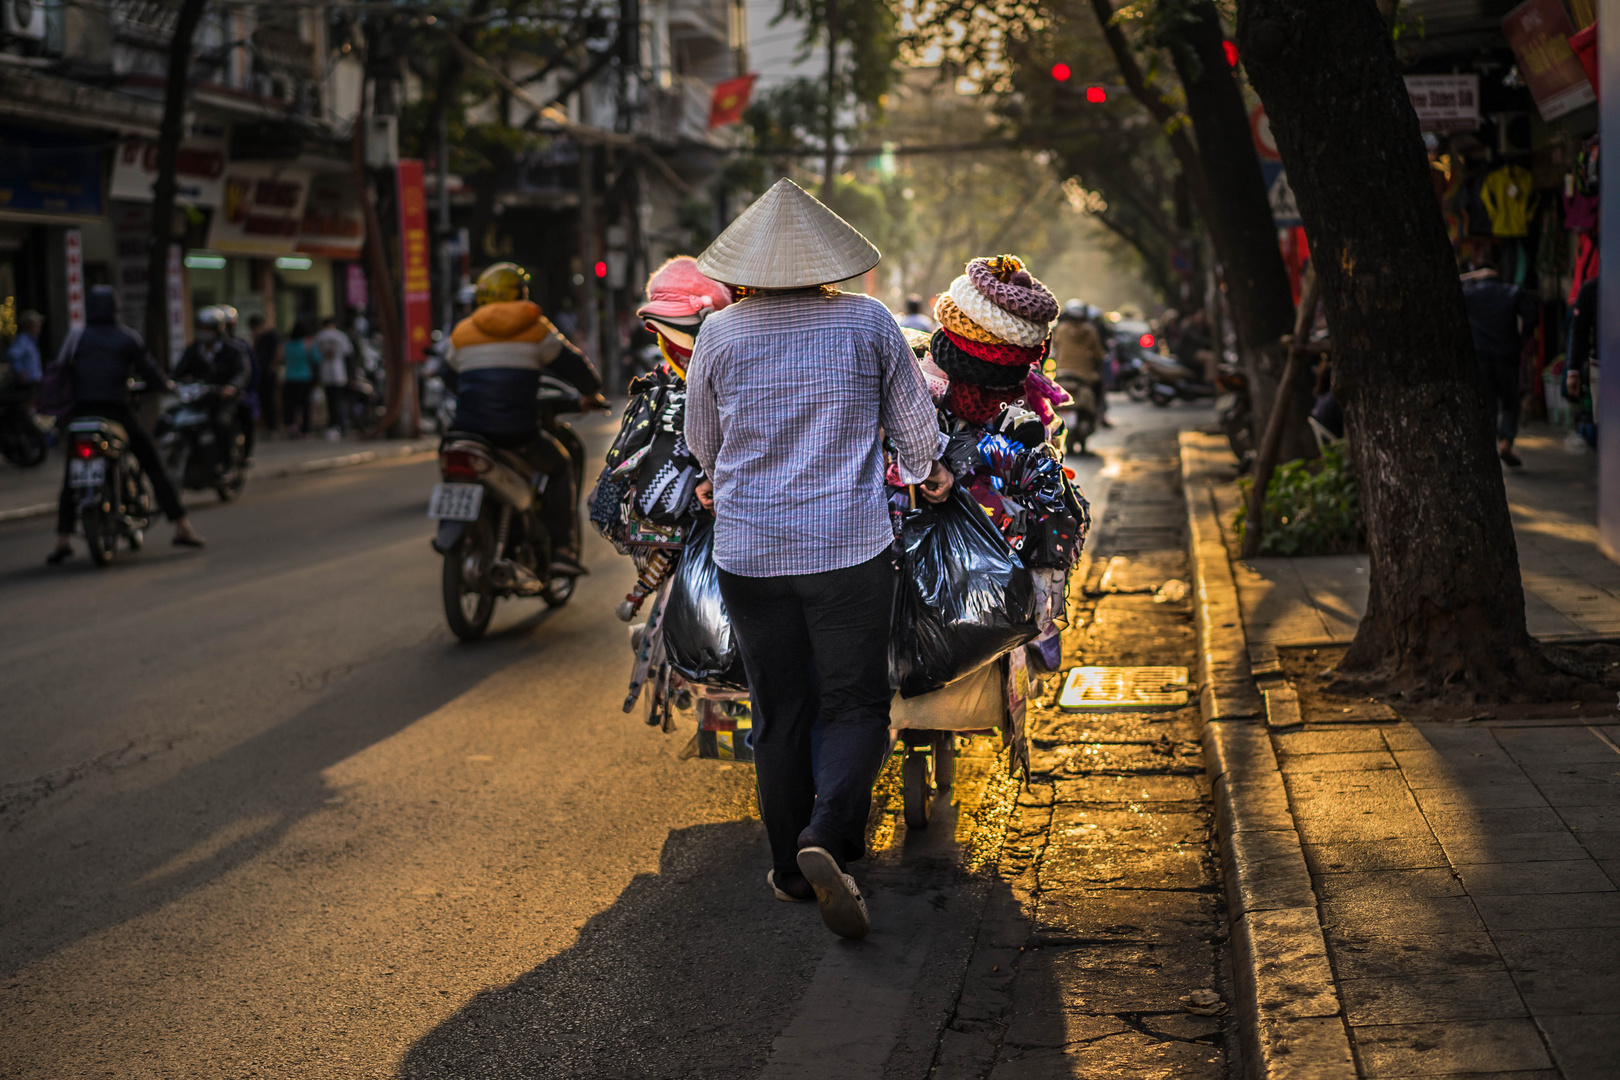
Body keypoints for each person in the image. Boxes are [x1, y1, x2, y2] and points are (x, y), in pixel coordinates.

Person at [684, 178, 954, 939]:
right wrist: (925, 473)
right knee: (854, 702)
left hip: (748, 550)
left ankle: (788, 868)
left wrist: (727, 477)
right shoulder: (869, 323)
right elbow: (916, 438)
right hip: (847, 549)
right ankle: (825, 836)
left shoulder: (721, 334)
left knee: (779, 709)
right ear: (827, 260)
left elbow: (703, 445)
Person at [446, 262, 604, 576]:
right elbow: (573, 367)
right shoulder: (535, 327)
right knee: (559, 466)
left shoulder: (462, 332)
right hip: (516, 435)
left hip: (467, 434)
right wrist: (590, 391)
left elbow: (449, 378)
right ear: (521, 294)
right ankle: (562, 549)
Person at [46, 286, 204, 563]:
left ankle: (61, 540)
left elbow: (60, 369)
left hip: (81, 415)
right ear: (115, 308)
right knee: (152, 463)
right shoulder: (127, 338)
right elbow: (152, 375)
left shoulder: (76, 336)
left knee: (73, 474)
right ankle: (181, 526)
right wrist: (165, 386)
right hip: (117, 412)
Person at [1461, 262, 1539, 467]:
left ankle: (1486, 450)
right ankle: (1505, 442)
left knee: (1487, 405)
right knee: (1511, 402)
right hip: (1508, 357)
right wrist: (1522, 339)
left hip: (1480, 358)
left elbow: (1453, 282)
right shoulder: (1511, 292)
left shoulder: (1471, 294)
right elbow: (1532, 316)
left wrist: (1472, 275)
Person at [174, 306, 251, 469]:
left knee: (220, 424)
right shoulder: (194, 350)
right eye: (201, 328)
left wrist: (231, 387)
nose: (204, 332)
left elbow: (242, 372)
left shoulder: (233, 349)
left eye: (208, 328)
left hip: (223, 399)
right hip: (199, 397)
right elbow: (178, 372)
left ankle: (226, 465)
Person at [1052, 299, 1107, 427]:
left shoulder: (1061, 330)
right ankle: (1100, 415)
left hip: (1062, 373)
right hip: (1085, 376)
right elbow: (1098, 354)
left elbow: (1055, 347)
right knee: (1100, 387)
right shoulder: (1090, 331)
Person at [313, 316, 354, 439]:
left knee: (331, 400)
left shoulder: (319, 336)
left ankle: (333, 424)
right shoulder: (340, 336)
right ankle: (341, 425)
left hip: (326, 372)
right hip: (338, 372)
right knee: (339, 400)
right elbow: (348, 351)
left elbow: (314, 354)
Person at [249, 313, 283, 433]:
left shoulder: (272, 335)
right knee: (263, 399)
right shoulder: (259, 337)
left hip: (269, 372)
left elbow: (278, 350)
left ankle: (273, 426)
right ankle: (268, 425)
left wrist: (273, 365)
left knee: (270, 400)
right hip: (260, 372)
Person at [281, 321, 317, 435]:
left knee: (290, 404)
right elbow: (317, 359)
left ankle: (292, 426)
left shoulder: (287, 344)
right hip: (305, 377)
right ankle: (305, 429)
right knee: (305, 404)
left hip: (290, 377)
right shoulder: (307, 344)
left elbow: (282, 358)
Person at [6, 310, 44, 388]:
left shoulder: (32, 340)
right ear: (29, 325)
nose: (39, 327)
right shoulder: (23, 340)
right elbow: (12, 355)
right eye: (36, 324)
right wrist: (21, 371)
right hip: (28, 384)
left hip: (35, 382)